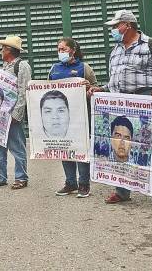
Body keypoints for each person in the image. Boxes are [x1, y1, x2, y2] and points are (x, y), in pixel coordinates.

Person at [88, 10, 152, 211]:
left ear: (127, 25)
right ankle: (122, 191)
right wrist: (101, 89)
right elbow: (114, 82)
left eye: (115, 26)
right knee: (118, 148)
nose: (113, 30)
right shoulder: (116, 50)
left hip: (142, 100)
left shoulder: (151, 45)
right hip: (119, 102)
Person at [48, 37, 97, 198]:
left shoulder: (84, 68)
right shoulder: (54, 69)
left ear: (73, 50)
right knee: (64, 148)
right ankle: (70, 183)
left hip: (81, 116)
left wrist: (89, 88)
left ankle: (84, 184)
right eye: (58, 49)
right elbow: (46, 91)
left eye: (63, 49)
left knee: (81, 149)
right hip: (61, 118)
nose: (60, 52)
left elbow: (96, 90)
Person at [0, 35, 31, 190]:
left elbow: (23, 91)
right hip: (0, 115)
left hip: (12, 115)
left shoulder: (22, 66)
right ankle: (0, 176)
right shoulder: (4, 67)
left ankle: (21, 177)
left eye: (3, 48)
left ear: (10, 50)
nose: (1, 51)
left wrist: (16, 114)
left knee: (17, 146)